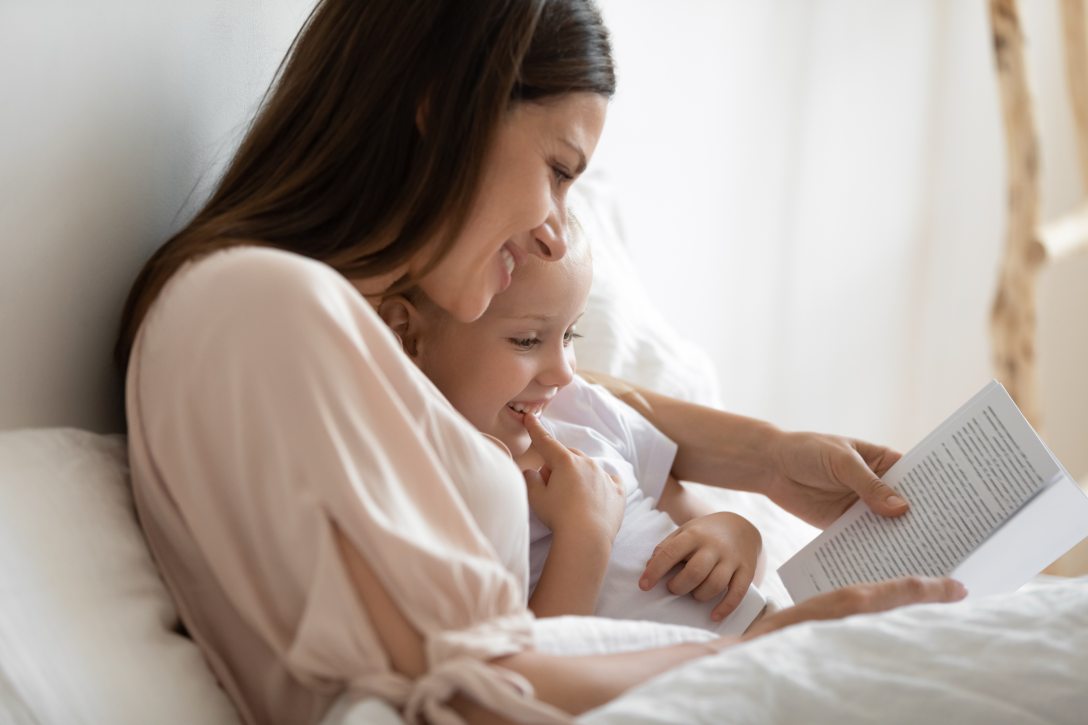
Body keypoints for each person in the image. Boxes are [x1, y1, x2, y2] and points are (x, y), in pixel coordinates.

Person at [116, 2, 966, 723]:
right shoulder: (253, 305)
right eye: (559, 170)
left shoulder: (352, 340)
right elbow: (473, 692)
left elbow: (562, 393)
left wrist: (767, 460)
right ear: (441, 107)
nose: (558, 228)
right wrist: (774, 652)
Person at [378, 221, 770, 634]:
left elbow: (715, 538)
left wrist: (739, 536)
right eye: (527, 340)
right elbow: (528, 662)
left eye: (569, 334)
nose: (563, 374)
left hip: (767, 637)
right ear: (408, 334)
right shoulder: (433, 492)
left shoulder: (582, 413)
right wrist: (585, 534)